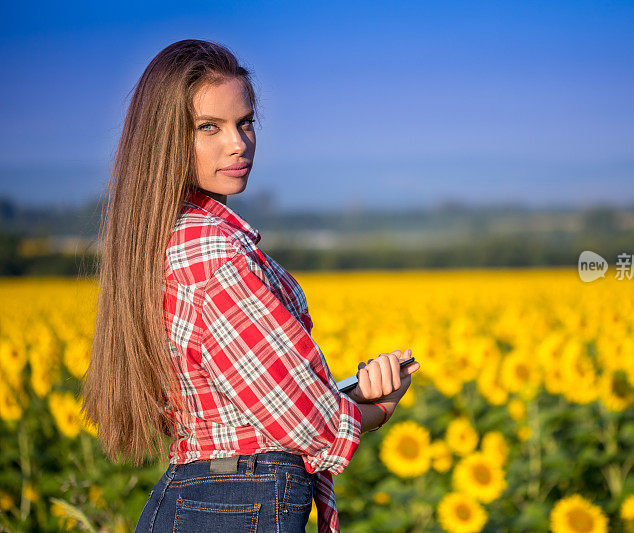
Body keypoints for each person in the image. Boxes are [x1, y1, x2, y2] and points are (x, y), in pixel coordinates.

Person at [80, 39, 421, 533]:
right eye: (208, 127)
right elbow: (304, 419)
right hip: (237, 502)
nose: (238, 143)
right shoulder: (213, 254)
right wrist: (380, 407)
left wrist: (341, 391)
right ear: (164, 139)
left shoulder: (162, 237)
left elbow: (246, 399)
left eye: (245, 122)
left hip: (203, 496)